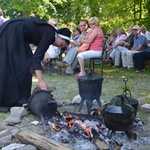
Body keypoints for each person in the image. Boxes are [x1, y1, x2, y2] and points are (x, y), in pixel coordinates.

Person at [0, 17, 71, 112]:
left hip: (11, 29)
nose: (58, 46)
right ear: (60, 37)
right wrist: (41, 81)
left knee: (19, 65)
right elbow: (36, 58)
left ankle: (18, 100)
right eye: (61, 44)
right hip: (14, 31)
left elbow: (37, 56)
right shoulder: (50, 34)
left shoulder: (48, 31)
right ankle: (12, 101)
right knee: (19, 65)